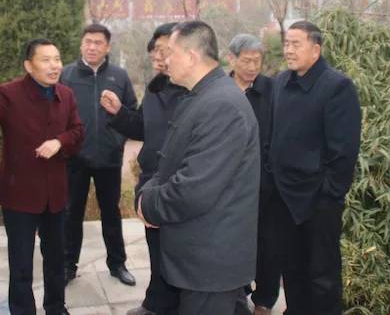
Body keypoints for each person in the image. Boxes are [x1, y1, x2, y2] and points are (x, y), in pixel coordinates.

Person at [138, 21, 260, 315]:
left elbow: (193, 190)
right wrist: (149, 190)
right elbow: (170, 162)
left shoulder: (222, 105)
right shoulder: (201, 95)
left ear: (192, 56)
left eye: (170, 52)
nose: (165, 60)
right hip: (198, 260)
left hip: (210, 264)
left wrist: (148, 204)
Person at [0, 38, 84, 315]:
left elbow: (77, 132)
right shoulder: (9, 94)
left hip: (55, 194)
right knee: (21, 263)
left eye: (57, 59)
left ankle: (56, 307)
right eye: (46, 60)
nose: (54, 66)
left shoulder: (66, 95)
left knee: (56, 259)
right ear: (29, 65)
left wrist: (59, 142)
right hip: (20, 195)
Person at [270, 21, 361, 315]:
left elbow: (344, 152)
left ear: (316, 49)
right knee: (292, 270)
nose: (289, 50)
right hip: (285, 197)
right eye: (286, 44)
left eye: (296, 44)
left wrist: (328, 195)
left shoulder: (337, 86)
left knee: (323, 276)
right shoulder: (280, 82)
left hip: (319, 202)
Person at [100, 22, 186, 315]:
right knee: (157, 247)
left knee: (178, 253)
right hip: (153, 180)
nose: (159, 57)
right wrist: (118, 113)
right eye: (155, 52)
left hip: (179, 182)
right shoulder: (155, 87)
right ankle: (158, 301)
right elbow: (141, 127)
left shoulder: (194, 91)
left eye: (165, 50)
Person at [61, 23, 138, 286]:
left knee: (111, 213)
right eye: (88, 42)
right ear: (81, 44)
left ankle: (117, 264)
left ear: (107, 47)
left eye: (98, 43)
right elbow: (54, 113)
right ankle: (67, 265)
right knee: (71, 213)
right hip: (75, 159)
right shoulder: (67, 75)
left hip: (109, 158)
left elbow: (131, 112)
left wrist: (116, 141)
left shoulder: (119, 76)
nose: (92, 47)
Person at [228, 34, 278, 315]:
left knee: (268, 244)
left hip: (263, 184)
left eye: (257, 61)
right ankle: (237, 292)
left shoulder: (271, 90)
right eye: (246, 61)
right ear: (231, 59)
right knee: (232, 240)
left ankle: (264, 300)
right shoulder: (220, 88)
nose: (252, 67)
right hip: (228, 184)